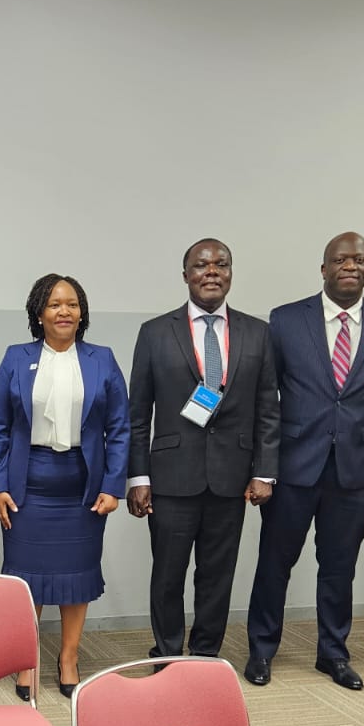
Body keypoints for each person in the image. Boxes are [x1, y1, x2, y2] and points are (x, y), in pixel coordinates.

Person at [244, 232, 364, 691]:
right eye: (340, 259)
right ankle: (261, 650)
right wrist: (263, 467)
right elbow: (266, 399)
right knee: (274, 563)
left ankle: (333, 653)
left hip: (354, 471)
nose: (350, 266)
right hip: (293, 467)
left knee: (340, 568)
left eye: (359, 259)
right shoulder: (285, 320)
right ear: (324, 269)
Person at [126, 238, 280, 663]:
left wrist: (264, 471)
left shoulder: (257, 332)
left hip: (232, 477)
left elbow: (269, 409)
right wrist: (138, 476)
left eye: (221, 264)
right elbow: (137, 413)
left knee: (217, 575)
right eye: (201, 265)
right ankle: (167, 654)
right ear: (186, 275)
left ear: (230, 273)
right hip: (171, 477)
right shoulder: (155, 332)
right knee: (168, 574)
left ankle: (206, 655)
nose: (212, 271)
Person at [0, 274, 129, 698]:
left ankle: (68, 657)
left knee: (76, 577)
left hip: (83, 490)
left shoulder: (102, 359)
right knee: (26, 577)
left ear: (82, 313)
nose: (63, 311)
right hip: (26, 487)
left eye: (71, 304)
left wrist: (113, 486)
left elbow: (119, 428)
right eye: (53, 304)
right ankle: (26, 660)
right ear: (39, 313)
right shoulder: (16, 357)